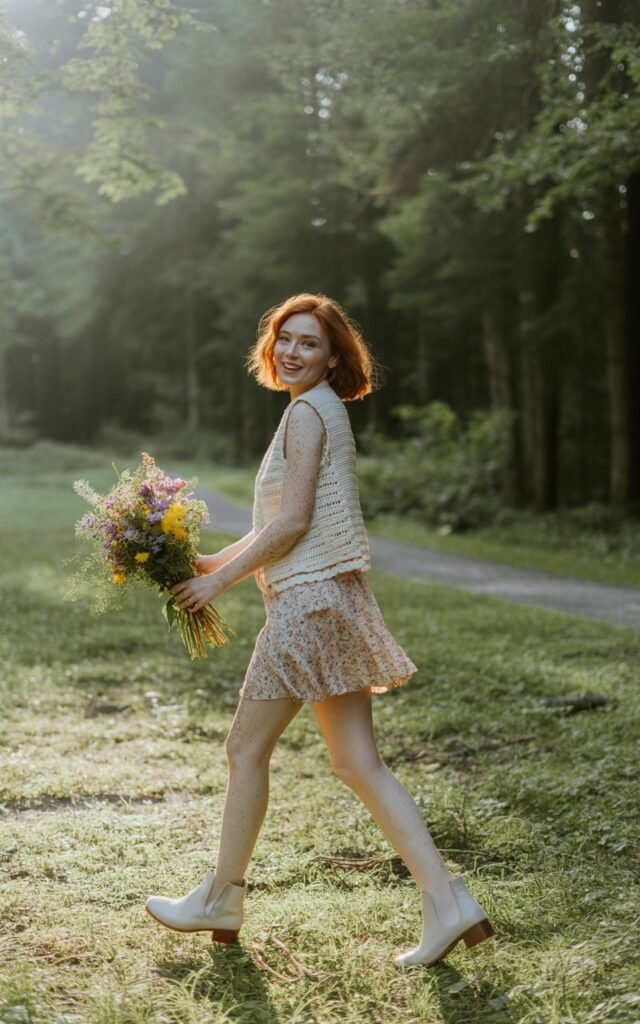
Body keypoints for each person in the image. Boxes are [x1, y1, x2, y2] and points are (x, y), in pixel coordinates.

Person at [145, 293, 495, 967]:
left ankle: (221, 896)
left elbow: (294, 522)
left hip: (309, 609)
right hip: (331, 598)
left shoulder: (308, 411)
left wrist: (216, 583)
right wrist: (201, 563)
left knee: (245, 751)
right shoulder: (316, 410)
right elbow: (273, 527)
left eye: (309, 343)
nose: (292, 351)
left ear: (334, 357)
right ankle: (448, 903)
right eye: (285, 338)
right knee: (356, 762)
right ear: (270, 346)